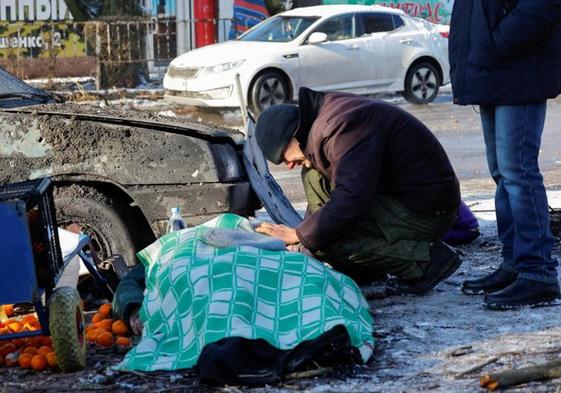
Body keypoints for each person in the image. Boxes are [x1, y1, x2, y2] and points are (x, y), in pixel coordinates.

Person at [254, 87, 462, 294]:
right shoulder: (326, 119)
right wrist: (305, 241)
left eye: (283, 156)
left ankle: (426, 261)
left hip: (425, 213)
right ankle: (363, 268)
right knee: (312, 177)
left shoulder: (341, 126)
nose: (288, 164)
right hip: (408, 199)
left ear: (293, 135)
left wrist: (299, 234)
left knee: (327, 243)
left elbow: (352, 197)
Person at [449, 0, 561, 309]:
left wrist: (499, 43)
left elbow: (543, 5)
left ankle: (537, 272)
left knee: (518, 171)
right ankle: (515, 261)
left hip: (517, 68)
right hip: (492, 70)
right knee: (502, 173)